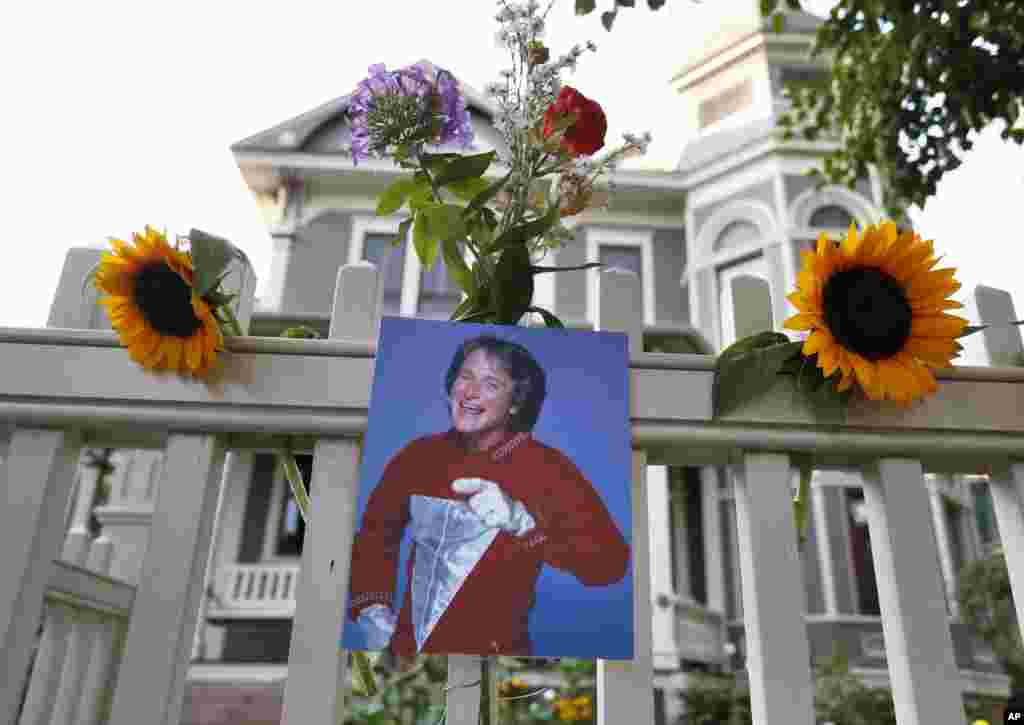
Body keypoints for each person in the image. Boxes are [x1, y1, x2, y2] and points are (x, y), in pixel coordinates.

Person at [347, 334, 631, 657]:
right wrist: (371, 607)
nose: (470, 393)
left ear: (516, 403)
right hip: (408, 664)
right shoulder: (418, 457)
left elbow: (609, 564)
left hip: (499, 663)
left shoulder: (549, 469)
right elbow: (374, 535)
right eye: (465, 377)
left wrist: (523, 524)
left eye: (491, 384)